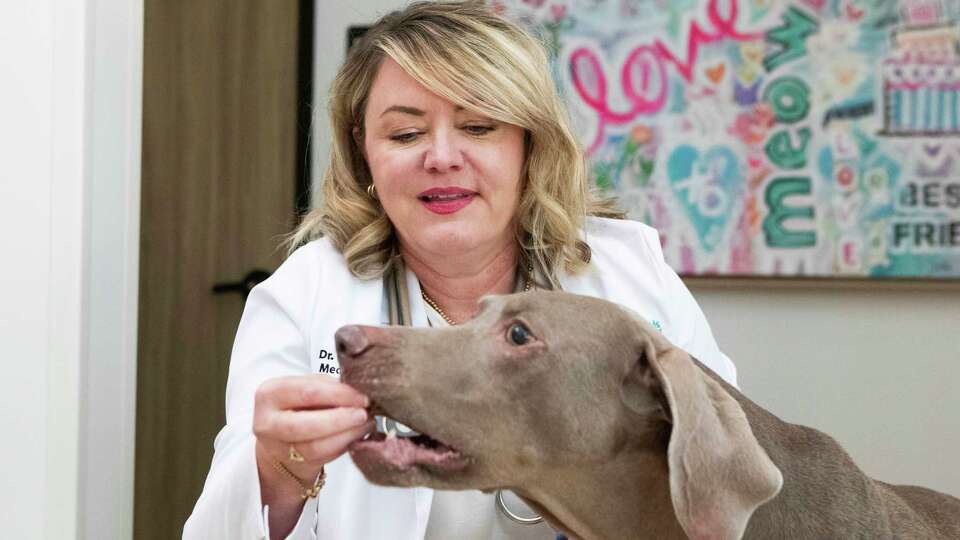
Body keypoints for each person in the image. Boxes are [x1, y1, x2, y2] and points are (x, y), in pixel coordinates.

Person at [183, 1, 737, 539]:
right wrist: (281, 466)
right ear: (364, 149)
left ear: (529, 142)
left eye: (478, 127)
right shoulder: (304, 295)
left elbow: (730, 479)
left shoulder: (629, 277)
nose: (442, 158)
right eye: (405, 134)